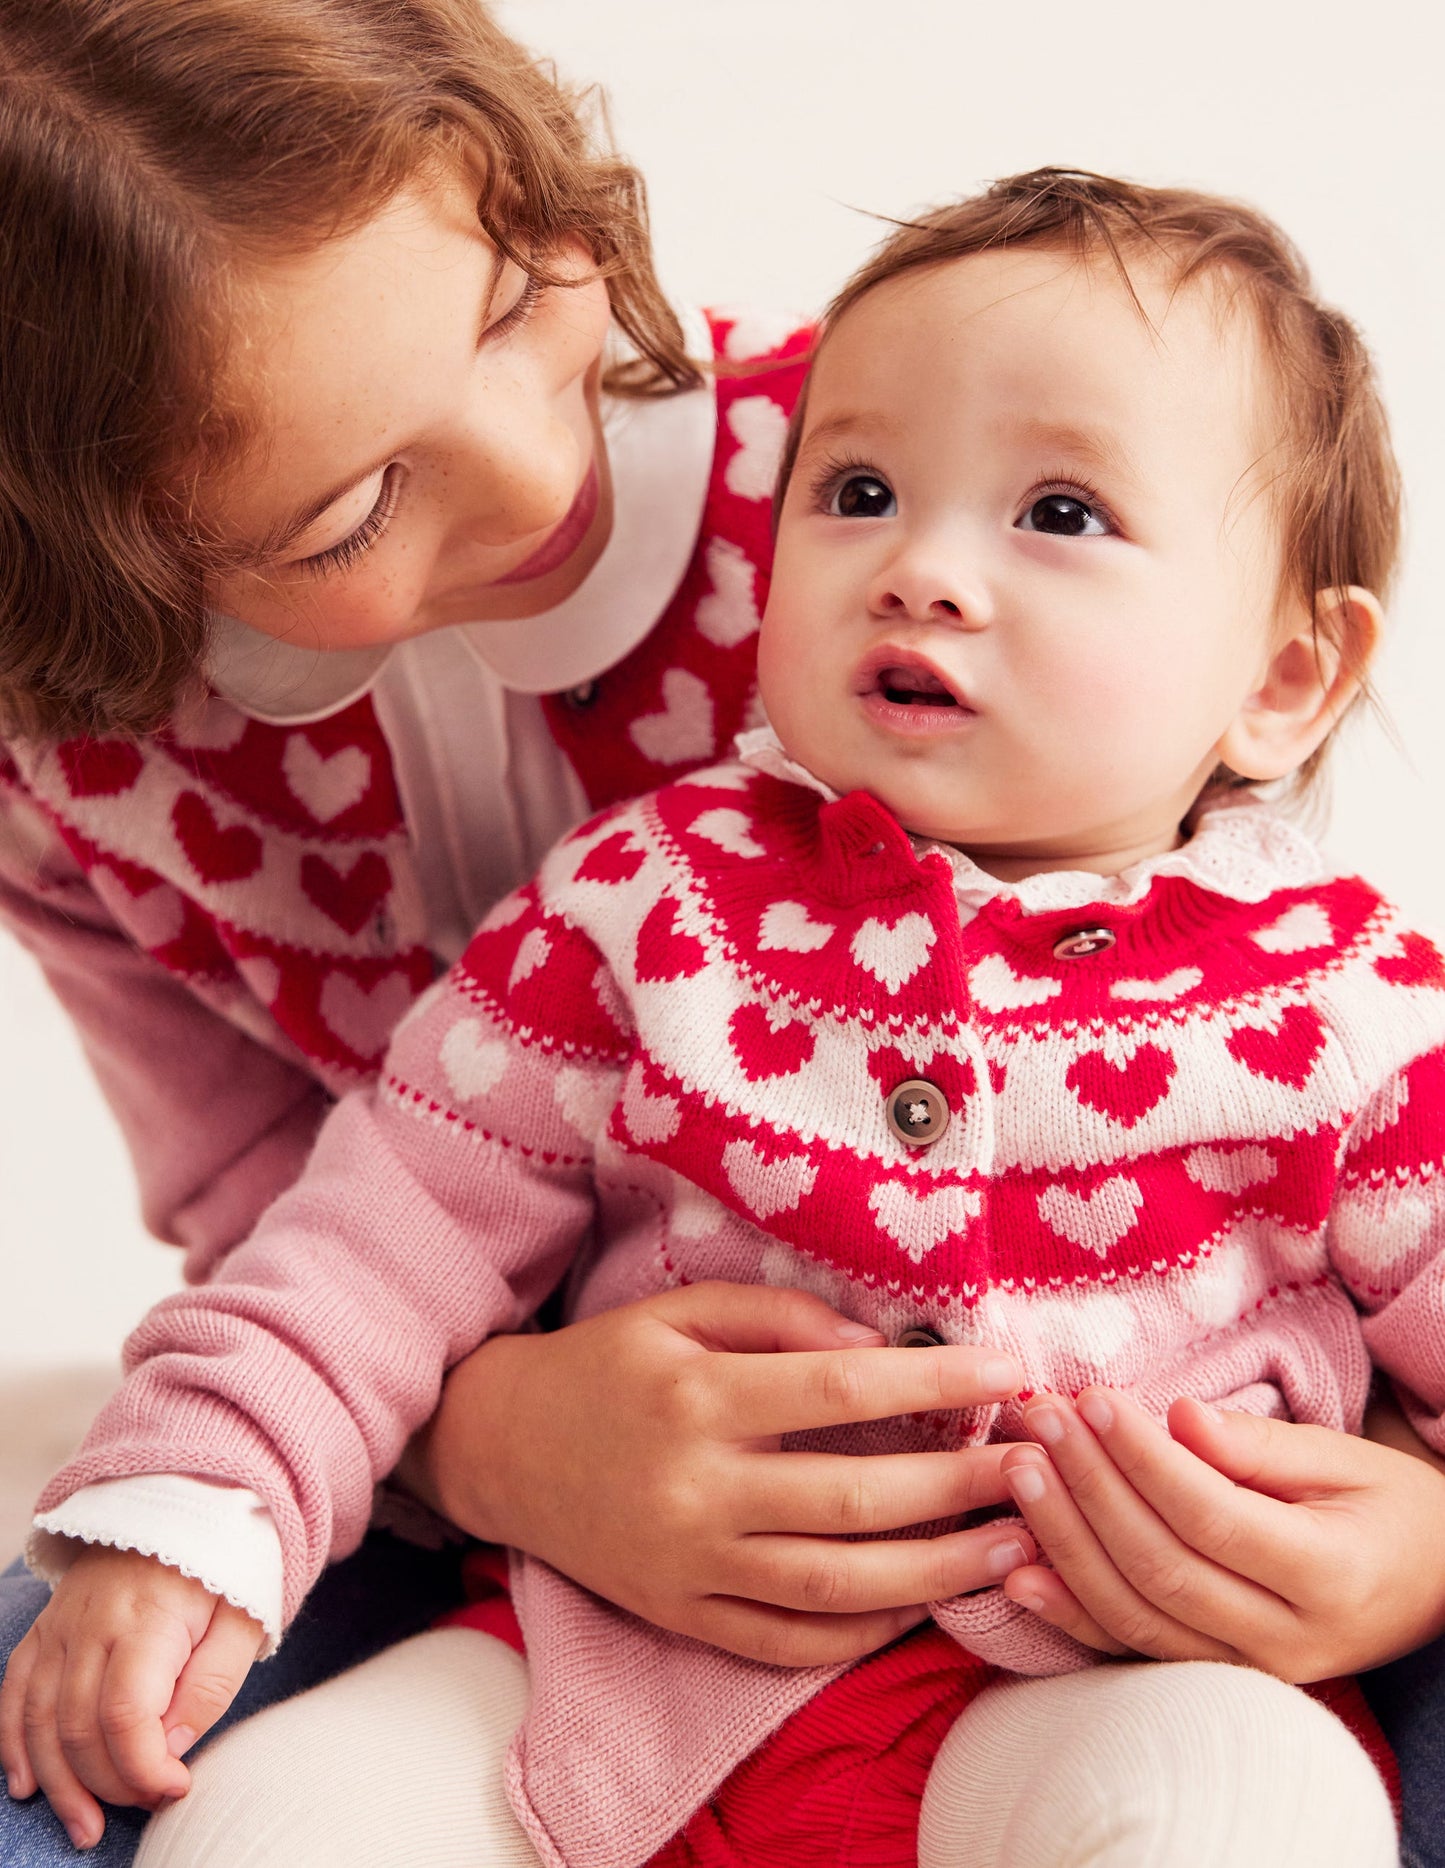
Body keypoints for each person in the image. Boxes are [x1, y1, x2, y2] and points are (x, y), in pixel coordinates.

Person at [6, 165, 1443, 1868]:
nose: (921, 569)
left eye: (1057, 515)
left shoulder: (1344, 1004)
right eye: (854, 491)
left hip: (1110, 1665)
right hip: (608, 1661)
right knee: (258, 1819)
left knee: (1242, 1808)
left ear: (1283, 678)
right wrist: (188, 1514)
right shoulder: (641, 908)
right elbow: (371, 1237)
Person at [0, 5, 1056, 1863]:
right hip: (451, 1505)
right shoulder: (81, 769)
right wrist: (487, 1446)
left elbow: (1250, 998)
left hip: (1037, 1486)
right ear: (101, 574)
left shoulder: (881, 517)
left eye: (510, 303)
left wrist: (1396, 1540)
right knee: (54, 1736)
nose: (525, 463)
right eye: (344, 515)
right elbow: (266, 1200)